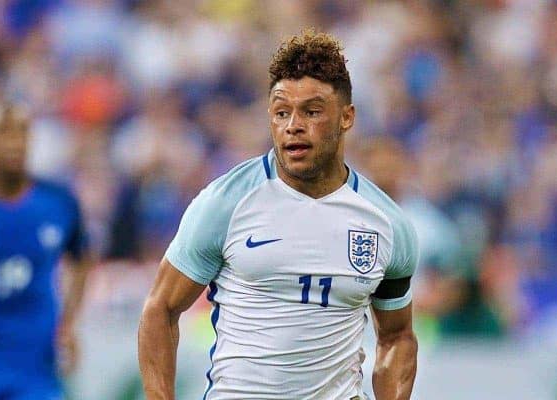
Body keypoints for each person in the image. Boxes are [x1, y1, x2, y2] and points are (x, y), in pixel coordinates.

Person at [139, 30, 419, 400]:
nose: (293, 126)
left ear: (347, 117)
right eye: (281, 112)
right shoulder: (226, 203)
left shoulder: (386, 224)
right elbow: (160, 309)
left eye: (312, 111)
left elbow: (397, 336)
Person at [0, 102, 91, 399]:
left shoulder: (58, 202)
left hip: (36, 366)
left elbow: (81, 258)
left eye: (23, 133)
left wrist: (68, 324)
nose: (15, 143)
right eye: (5, 133)